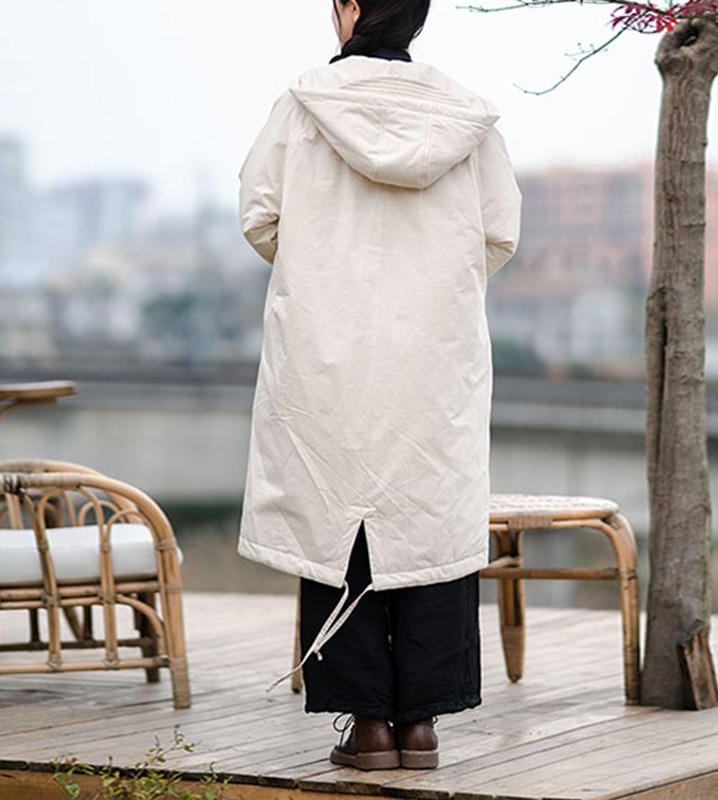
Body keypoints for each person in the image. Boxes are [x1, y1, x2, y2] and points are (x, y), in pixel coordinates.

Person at [236, 0, 522, 772]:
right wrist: (433, 286)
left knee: (336, 520)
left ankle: (366, 726)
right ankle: (423, 726)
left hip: (326, 351)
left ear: (350, 10)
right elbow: (499, 232)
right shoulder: (469, 120)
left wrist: (321, 274)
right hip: (434, 351)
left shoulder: (301, 107)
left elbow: (261, 217)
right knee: (431, 516)